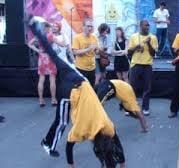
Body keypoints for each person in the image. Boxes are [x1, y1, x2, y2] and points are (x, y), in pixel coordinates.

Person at [28, 16, 126, 167]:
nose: (90, 28)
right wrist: (122, 163)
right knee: (62, 120)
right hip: (72, 88)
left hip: (76, 83)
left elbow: (69, 148)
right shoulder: (103, 127)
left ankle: (48, 143)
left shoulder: (93, 127)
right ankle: (48, 143)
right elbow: (116, 142)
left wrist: (34, 28)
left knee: (63, 120)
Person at [128, 20, 158, 116]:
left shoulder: (153, 37)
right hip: (135, 64)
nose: (148, 27)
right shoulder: (133, 37)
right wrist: (136, 47)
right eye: (146, 25)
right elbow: (129, 52)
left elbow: (153, 54)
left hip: (147, 65)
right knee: (131, 87)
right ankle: (129, 108)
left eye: (148, 26)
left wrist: (149, 44)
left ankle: (145, 108)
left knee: (147, 88)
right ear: (140, 26)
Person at [28, 23, 57, 107]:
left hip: (42, 58)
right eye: (50, 27)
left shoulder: (39, 36)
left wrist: (38, 50)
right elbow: (61, 43)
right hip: (50, 57)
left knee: (41, 79)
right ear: (48, 28)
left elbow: (29, 44)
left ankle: (41, 100)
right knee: (52, 79)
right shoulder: (51, 36)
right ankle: (53, 99)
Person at [72, 19, 99, 86]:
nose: (90, 28)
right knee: (81, 88)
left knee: (91, 88)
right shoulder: (77, 37)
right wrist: (88, 49)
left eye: (91, 26)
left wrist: (98, 50)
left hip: (92, 68)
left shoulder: (94, 37)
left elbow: (96, 52)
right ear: (83, 27)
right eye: (88, 26)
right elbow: (75, 52)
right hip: (81, 68)